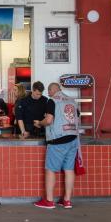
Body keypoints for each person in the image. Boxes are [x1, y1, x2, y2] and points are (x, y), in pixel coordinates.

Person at [33, 82, 79, 210]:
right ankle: (67, 201)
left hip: (58, 139)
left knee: (51, 170)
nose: (48, 94)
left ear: (52, 91)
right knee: (69, 169)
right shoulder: (71, 100)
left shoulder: (52, 101)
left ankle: (49, 201)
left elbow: (48, 120)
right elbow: (76, 116)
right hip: (73, 139)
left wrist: (39, 123)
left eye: (49, 91)